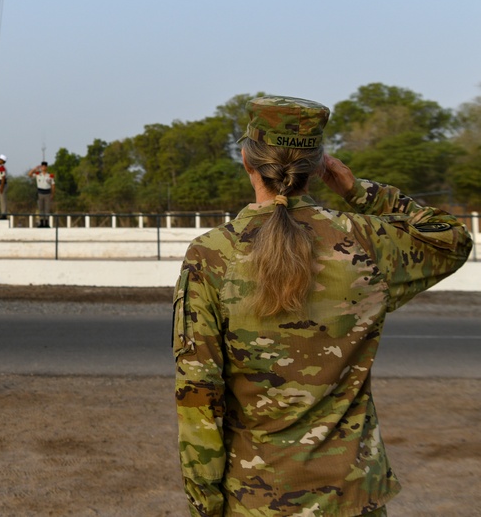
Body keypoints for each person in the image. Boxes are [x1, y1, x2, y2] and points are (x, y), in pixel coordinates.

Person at [173, 95, 472, 516]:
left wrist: (205, 505)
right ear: (320, 165)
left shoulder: (211, 255)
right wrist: (359, 191)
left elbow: (199, 394)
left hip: (256, 501)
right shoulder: (366, 242)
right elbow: (450, 238)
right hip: (352, 496)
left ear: (247, 159)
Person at [27, 161, 54, 227]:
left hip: (47, 193)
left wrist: (52, 194)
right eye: (42, 166)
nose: (43, 168)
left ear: (47, 167)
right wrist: (34, 169)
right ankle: (41, 222)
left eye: (45, 166)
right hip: (40, 193)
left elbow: (53, 185)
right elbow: (29, 174)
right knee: (41, 208)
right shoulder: (38, 174)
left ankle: (46, 223)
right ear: (41, 167)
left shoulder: (50, 175)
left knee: (47, 209)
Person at [0, 154, 8, 219]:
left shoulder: (1, 167)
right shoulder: (2, 167)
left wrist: (1, 187)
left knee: (2, 200)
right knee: (3, 200)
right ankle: (3, 213)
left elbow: (3, 177)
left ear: (2, 161)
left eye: (0, 160)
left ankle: (4, 214)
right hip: (3, 184)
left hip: (2, 184)